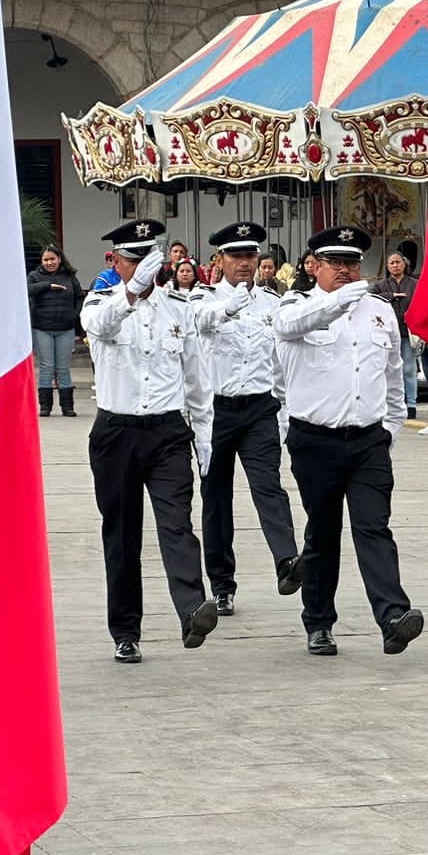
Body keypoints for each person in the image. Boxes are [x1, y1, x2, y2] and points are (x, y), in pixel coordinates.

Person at [274, 225, 424, 658]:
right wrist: (339, 300)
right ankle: (319, 622)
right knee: (323, 534)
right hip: (315, 439)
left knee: (374, 526)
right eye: (335, 263)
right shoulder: (296, 305)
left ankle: (393, 616)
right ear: (313, 266)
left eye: (352, 263)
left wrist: (391, 427)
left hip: (368, 441)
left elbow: (393, 373)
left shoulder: (377, 309)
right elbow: (288, 328)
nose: (345, 271)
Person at [79, 219, 217, 662]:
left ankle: (193, 607)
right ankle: (125, 631)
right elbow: (98, 326)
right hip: (116, 431)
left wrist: (203, 433)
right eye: (131, 259)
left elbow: (196, 378)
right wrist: (131, 292)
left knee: (176, 520)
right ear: (113, 260)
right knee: (121, 536)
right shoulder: (100, 302)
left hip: (166, 431)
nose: (140, 267)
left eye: (146, 259)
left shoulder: (179, 308)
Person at [190, 221, 301, 617]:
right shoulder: (201, 298)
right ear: (219, 259)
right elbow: (198, 323)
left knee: (269, 485)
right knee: (216, 497)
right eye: (235, 255)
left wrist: (285, 412)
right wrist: (227, 308)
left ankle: (287, 561)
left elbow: (281, 363)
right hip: (217, 410)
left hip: (259, 408)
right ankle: (222, 583)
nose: (244, 263)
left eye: (250, 255)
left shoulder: (274, 303)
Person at [28, 244, 84, 417]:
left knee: (63, 367)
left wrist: (74, 315)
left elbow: (80, 297)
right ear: (41, 261)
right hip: (42, 328)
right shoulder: (34, 276)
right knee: (46, 366)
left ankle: (67, 407)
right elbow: (27, 290)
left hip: (65, 328)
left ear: (59, 259)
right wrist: (47, 285)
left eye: (52, 259)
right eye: (46, 260)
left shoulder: (69, 276)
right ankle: (45, 407)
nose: (49, 262)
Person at [373, 249, 421, 422]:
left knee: (409, 369)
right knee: (390, 370)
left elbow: (423, 300)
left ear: (404, 264)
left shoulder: (414, 283)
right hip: (388, 334)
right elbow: (372, 297)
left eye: (398, 262)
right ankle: (393, 404)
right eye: (391, 263)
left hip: (408, 333)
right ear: (387, 266)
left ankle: (412, 404)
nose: (395, 265)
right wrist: (391, 296)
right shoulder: (382, 284)